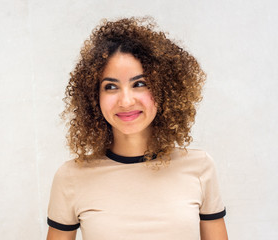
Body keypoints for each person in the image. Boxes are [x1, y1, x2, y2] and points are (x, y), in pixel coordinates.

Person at [46, 17, 228, 240]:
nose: (126, 101)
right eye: (111, 86)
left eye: (139, 84)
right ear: (94, 97)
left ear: (164, 90)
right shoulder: (71, 177)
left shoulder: (200, 168)